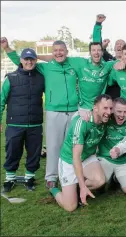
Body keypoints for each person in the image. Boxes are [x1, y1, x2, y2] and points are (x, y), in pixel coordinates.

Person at [2, 38, 79, 189]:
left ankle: (71, 174)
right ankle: (50, 177)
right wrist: (7, 48)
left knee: (73, 145)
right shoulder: (43, 68)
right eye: (55, 50)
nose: (58, 53)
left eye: (61, 50)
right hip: (51, 112)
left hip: (71, 111)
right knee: (52, 146)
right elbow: (22, 60)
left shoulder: (72, 65)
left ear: (67, 52)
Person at [48, 94, 113, 212]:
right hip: (70, 159)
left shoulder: (105, 119)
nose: (108, 112)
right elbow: (76, 157)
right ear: (95, 108)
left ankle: (76, 188)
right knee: (71, 207)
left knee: (100, 181)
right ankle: (53, 188)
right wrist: (83, 186)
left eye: (110, 108)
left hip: (87, 156)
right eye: (105, 108)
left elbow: (122, 110)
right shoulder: (82, 123)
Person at [1, 48, 45, 192]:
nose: (29, 61)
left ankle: (29, 178)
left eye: (32, 59)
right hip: (14, 124)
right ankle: (9, 179)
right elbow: (1, 100)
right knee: (12, 151)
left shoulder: (41, 77)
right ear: (21, 60)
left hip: (35, 124)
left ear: (35, 60)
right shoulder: (11, 78)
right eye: (26, 59)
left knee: (34, 152)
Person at [96, 97, 126, 196]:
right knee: (98, 184)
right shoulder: (105, 119)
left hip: (124, 161)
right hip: (105, 158)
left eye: (125, 112)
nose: (122, 115)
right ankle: (106, 179)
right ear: (112, 110)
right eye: (119, 111)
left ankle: (116, 178)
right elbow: (96, 111)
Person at [91, 14, 126, 99]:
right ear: (114, 48)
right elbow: (97, 45)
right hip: (107, 99)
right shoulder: (108, 59)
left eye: (122, 44)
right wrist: (98, 24)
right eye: (117, 44)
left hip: (123, 101)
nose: (119, 46)